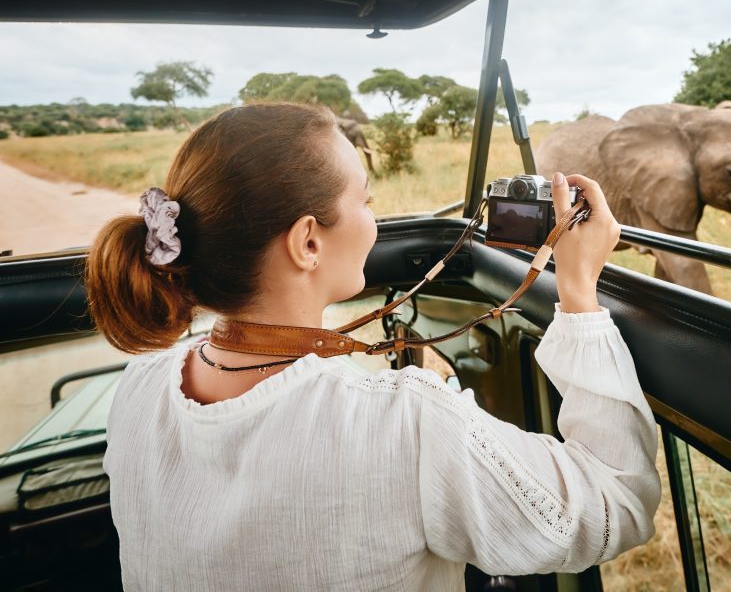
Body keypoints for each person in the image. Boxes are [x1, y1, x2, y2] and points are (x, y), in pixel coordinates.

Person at [87, 102, 661, 590]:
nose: (374, 219)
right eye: (364, 200)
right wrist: (580, 292)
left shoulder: (139, 388)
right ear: (308, 242)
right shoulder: (402, 420)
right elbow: (616, 504)